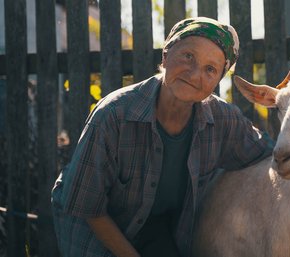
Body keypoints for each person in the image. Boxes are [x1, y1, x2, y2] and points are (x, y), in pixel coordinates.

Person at [51, 17, 274, 257]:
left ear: (217, 82)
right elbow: (89, 207)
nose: (195, 73)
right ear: (166, 55)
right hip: (95, 228)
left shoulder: (223, 120)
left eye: (210, 69)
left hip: (155, 228)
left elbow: (274, 155)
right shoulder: (115, 115)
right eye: (188, 56)